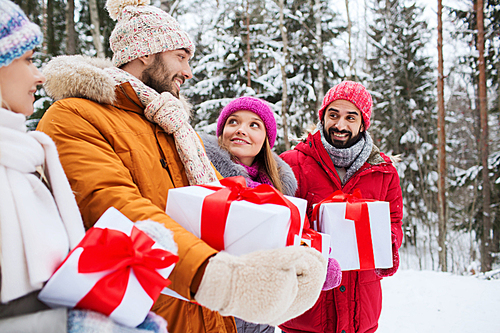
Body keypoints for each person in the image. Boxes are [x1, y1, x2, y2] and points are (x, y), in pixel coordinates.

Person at [36, 0, 328, 332]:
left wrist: (295, 253)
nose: (188, 72)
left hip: (211, 319)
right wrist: (219, 277)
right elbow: (112, 207)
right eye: (181, 56)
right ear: (145, 52)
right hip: (149, 315)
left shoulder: (170, 125)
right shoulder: (75, 116)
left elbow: (224, 206)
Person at [202, 96, 343, 333]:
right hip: (211, 311)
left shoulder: (280, 190)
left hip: (262, 316)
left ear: (266, 138)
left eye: (254, 125)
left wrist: (318, 261)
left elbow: (297, 236)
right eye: (233, 122)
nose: (241, 130)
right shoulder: (202, 173)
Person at [279, 81, 403, 333]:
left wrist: (382, 243)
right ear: (323, 117)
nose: (340, 125)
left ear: (363, 123)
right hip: (306, 313)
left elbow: (394, 222)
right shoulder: (291, 163)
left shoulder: (384, 172)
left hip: (362, 312)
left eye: (350, 117)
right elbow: (282, 225)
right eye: (333, 115)